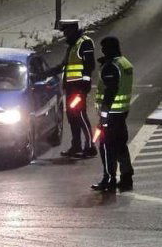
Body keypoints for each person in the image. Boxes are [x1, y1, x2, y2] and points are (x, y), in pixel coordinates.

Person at [46, 20, 97, 158]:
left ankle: (90, 147)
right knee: (72, 117)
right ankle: (76, 146)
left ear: (73, 30)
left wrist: (85, 83)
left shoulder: (84, 43)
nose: (65, 35)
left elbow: (89, 65)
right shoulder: (73, 46)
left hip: (79, 88)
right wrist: (46, 73)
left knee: (80, 115)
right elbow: (64, 66)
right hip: (70, 88)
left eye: (66, 32)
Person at [91, 36, 134, 192]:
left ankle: (109, 179)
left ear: (110, 48)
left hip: (111, 113)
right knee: (120, 145)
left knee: (106, 147)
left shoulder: (111, 67)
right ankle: (126, 177)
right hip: (122, 112)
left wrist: (103, 117)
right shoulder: (124, 63)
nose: (102, 51)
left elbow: (110, 91)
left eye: (104, 48)